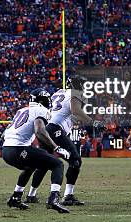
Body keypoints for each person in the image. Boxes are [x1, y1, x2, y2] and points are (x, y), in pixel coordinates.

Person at [25, 76, 105, 206]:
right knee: (75, 160)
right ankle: (68, 195)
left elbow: (65, 112)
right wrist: (93, 122)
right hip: (55, 129)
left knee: (44, 163)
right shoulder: (75, 93)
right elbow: (75, 110)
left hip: (46, 128)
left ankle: (31, 195)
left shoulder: (59, 92)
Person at [1, 88, 71, 213]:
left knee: (30, 167)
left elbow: (4, 133)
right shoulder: (41, 110)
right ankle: (53, 199)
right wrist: (57, 147)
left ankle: (15, 197)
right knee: (57, 164)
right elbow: (39, 131)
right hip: (18, 149)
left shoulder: (22, 110)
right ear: (42, 100)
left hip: (6, 150)